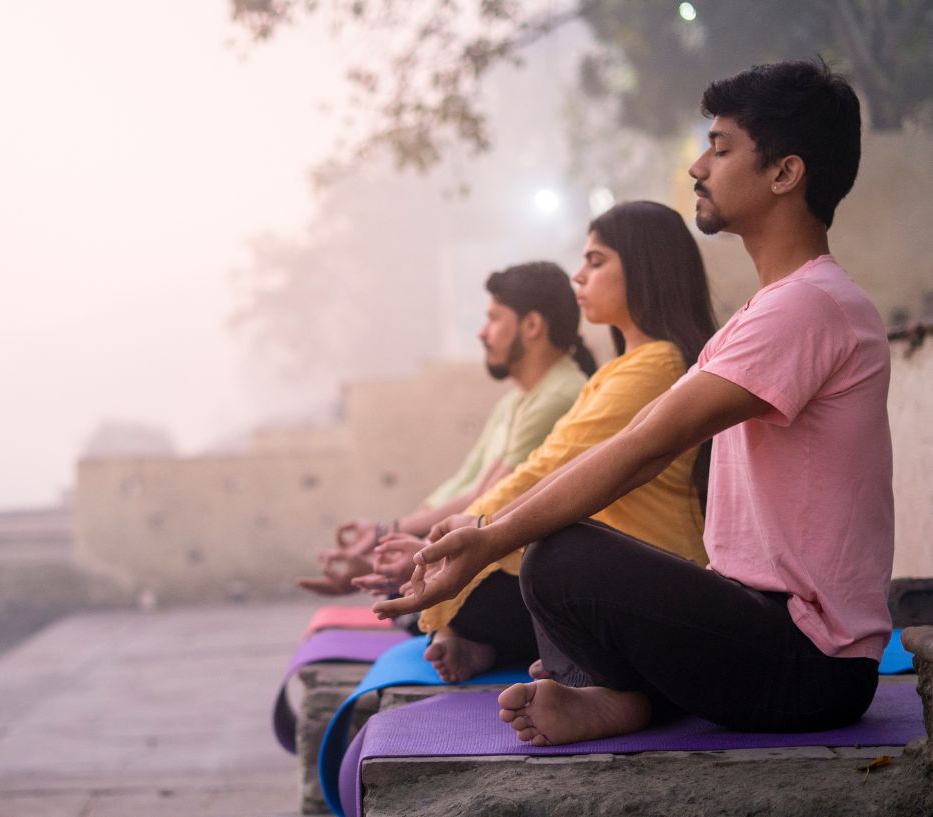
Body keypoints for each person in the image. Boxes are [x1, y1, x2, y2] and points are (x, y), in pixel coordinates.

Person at [373, 59, 891, 746]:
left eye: (722, 147)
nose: (700, 167)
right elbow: (627, 440)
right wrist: (485, 529)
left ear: (785, 173)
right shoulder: (766, 312)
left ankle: (608, 690)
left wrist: (491, 537)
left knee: (557, 555)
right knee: (563, 554)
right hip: (760, 625)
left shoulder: (809, 306)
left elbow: (643, 446)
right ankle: (619, 694)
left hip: (812, 664)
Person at [360, 200, 717, 683]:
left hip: (655, 574)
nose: (579, 277)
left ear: (644, 266)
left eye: (596, 261)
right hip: (621, 569)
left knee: (530, 572)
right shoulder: (624, 369)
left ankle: (531, 654)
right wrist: (447, 541)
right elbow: (534, 469)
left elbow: (553, 468)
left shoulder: (657, 368)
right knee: (479, 579)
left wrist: (452, 543)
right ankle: (508, 647)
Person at [297, 262, 594, 595]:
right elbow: (466, 488)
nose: (483, 332)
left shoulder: (557, 396)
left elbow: (484, 500)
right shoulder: (515, 402)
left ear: (532, 325)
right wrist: (387, 545)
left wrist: (402, 550)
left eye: (494, 318)